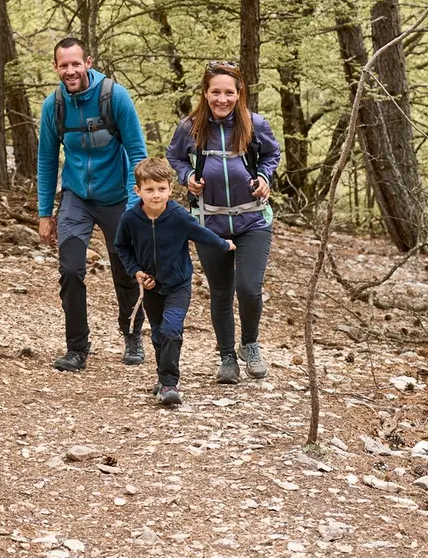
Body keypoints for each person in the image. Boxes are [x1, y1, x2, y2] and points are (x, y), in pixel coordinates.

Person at [37, 37, 149, 372]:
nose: (70, 71)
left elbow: (137, 153)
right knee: (70, 269)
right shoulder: (53, 106)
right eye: (63, 65)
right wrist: (45, 213)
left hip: (117, 197)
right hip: (76, 198)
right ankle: (77, 348)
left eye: (75, 64)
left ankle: (132, 336)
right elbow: (46, 161)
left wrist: (135, 203)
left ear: (88, 62)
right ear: (56, 68)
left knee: (126, 271)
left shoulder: (115, 97)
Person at [167, 60, 282, 384]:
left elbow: (272, 155)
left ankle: (250, 344)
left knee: (248, 287)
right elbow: (174, 156)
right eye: (215, 92)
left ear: (238, 93)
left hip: (252, 220)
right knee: (220, 292)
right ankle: (227, 357)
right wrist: (187, 175)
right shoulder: (190, 127)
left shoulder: (255, 124)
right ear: (205, 93)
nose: (222, 99)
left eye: (228, 92)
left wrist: (263, 175)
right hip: (209, 222)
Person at [115, 156, 236, 406]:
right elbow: (121, 247)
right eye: (149, 190)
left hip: (179, 284)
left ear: (170, 188)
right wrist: (136, 271)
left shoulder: (178, 216)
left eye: (161, 189)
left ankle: (170, 383)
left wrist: (225, 245)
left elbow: (201, 234)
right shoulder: (130, 219)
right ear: (138, 191)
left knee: (171, 329)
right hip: (151, 286)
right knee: (159, 334)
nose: (156, 195)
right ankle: (163, 378)